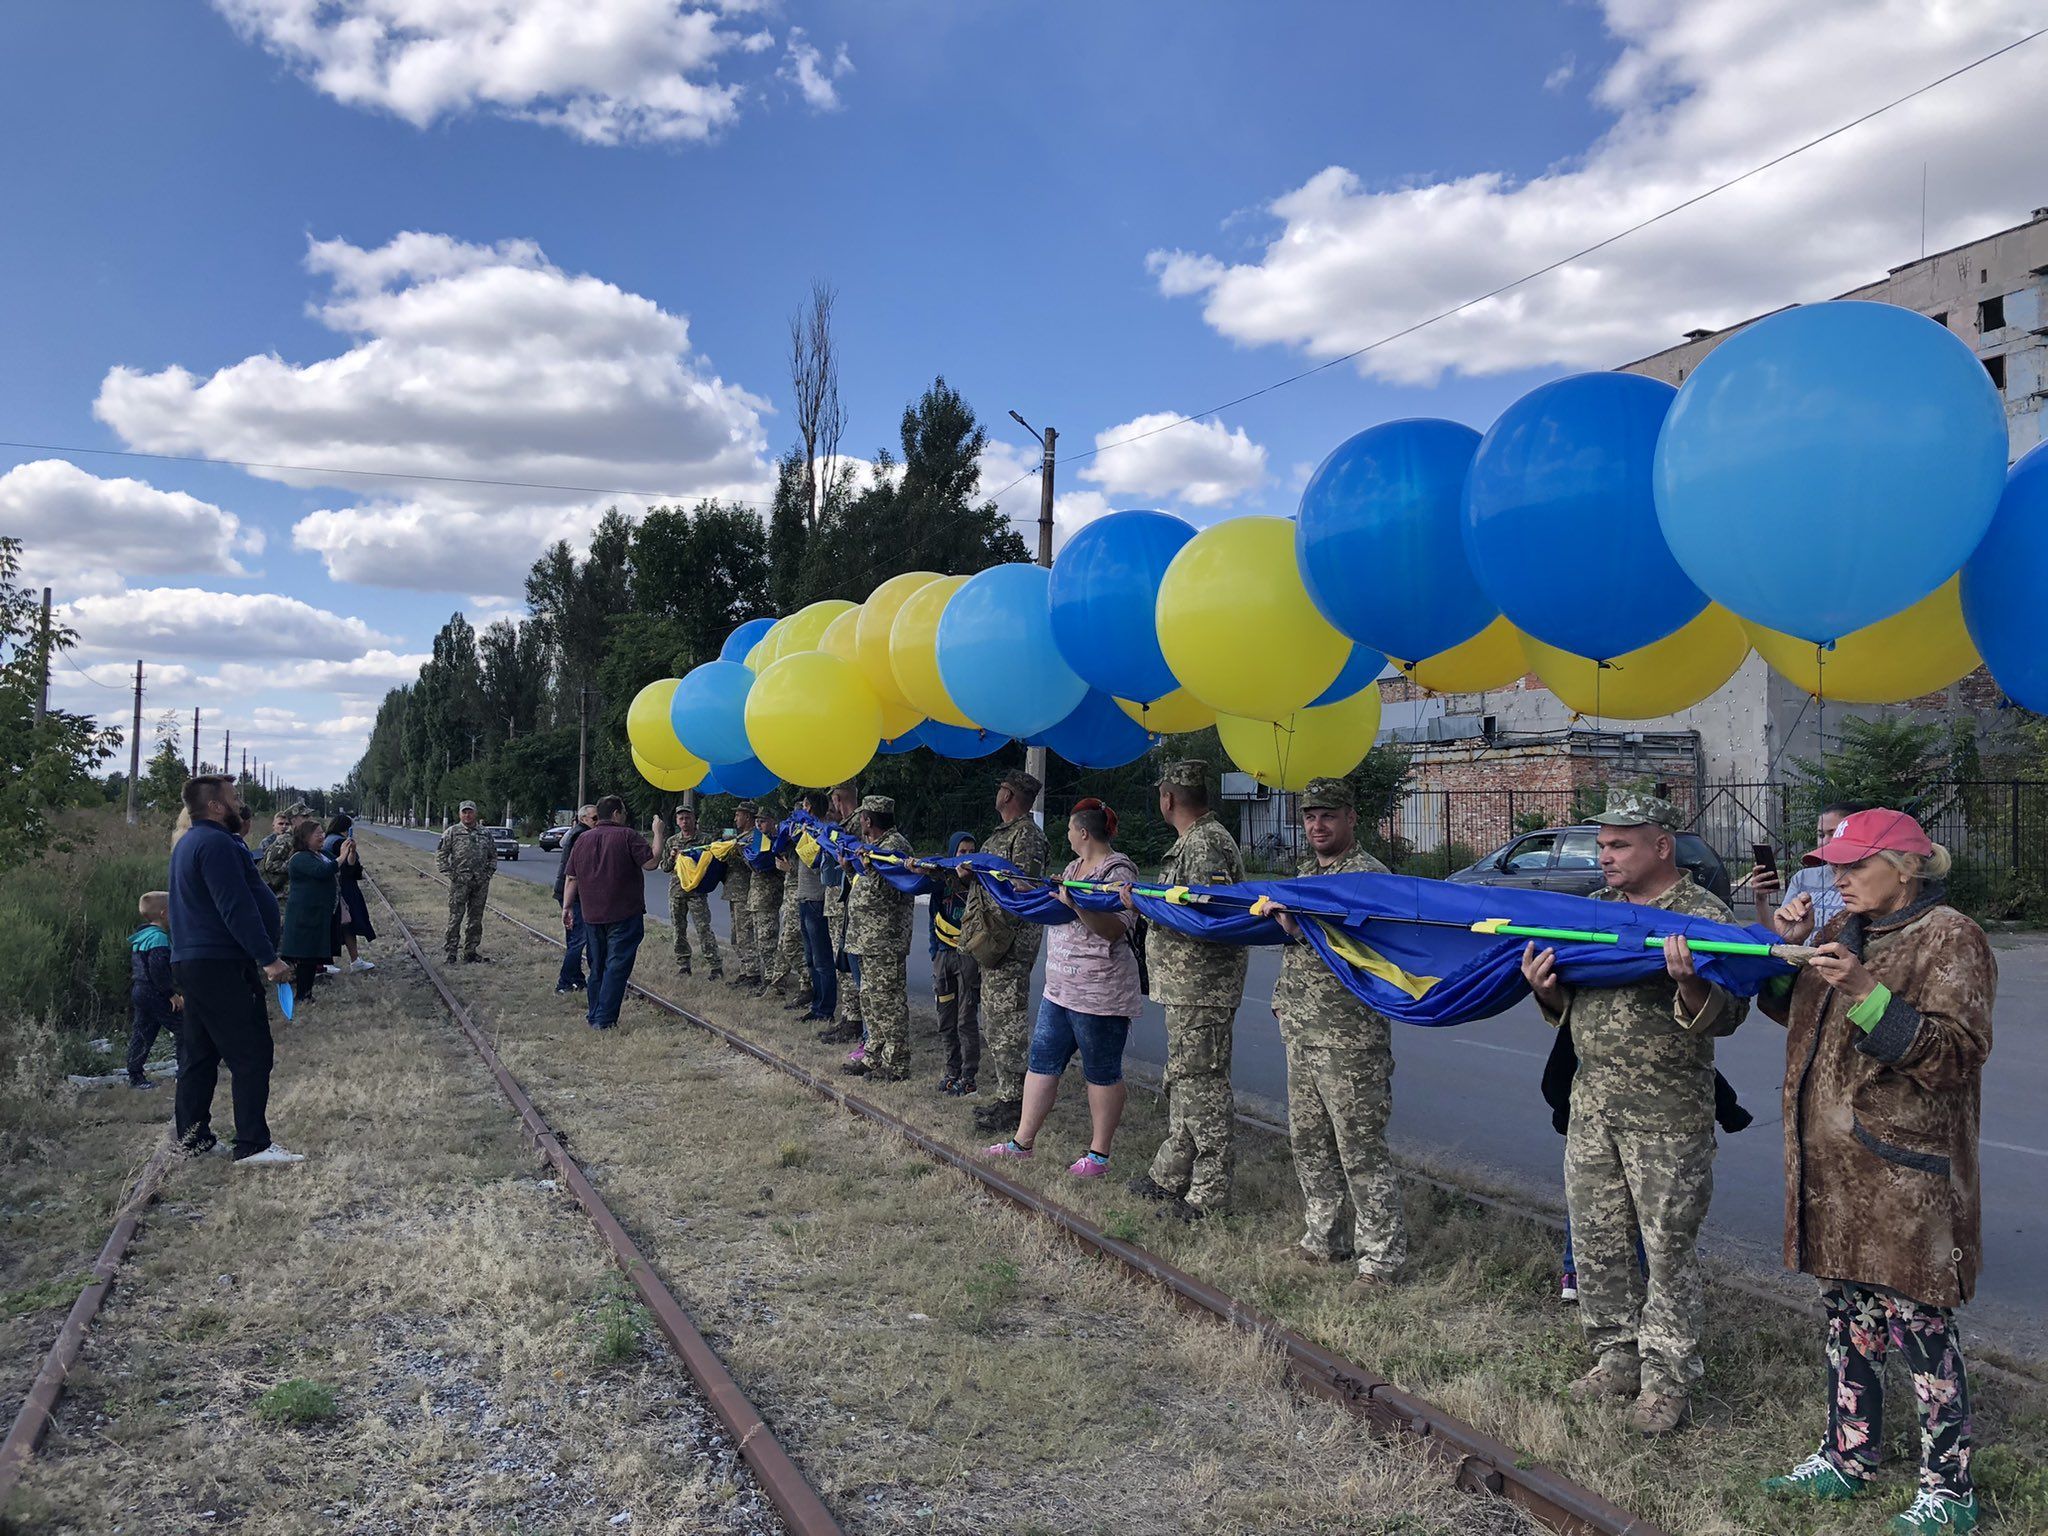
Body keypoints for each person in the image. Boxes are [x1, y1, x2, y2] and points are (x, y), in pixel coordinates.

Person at [1757, 809, 1992, 1536]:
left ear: (1907, 867)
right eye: (1835, 865)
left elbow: (1955, 1055)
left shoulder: (1949, 935)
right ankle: (1848, 1454)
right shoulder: (1840, 932)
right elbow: (1791, 1017)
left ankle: (1947, 1487)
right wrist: (1783, 952)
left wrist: (1865, 992)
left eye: (1856, 865)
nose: (1839, 878)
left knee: (1920, 1324)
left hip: (1904, 1176)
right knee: (1848, 1317)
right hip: (1836, 1171)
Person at [1518, 789, 1747, 1436]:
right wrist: (1548, 989)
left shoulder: (1701, 915)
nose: (1606, 856)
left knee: (1667, 1248)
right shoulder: (1593, 912)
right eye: (1603, 844)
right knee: (1597, 1240)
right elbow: (1574, 1005)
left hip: (1667, 1113)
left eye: (1620, 844)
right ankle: (1616, 1357)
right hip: (1595, 1106)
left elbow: (1730, 1014)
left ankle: (1668, 1378)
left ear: (1661, 846)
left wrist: (1690, 981)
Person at [1261, 778, 1407, 1287]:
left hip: (1350, 1038)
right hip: (1302, 1031)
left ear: (1351, 818)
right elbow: (1293, 952)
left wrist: (1305, 931)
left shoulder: (1370, 877)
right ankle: (1325, 1237)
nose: (1317, 825)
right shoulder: (1304, 874)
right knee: (1309, 1141)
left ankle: (1380, 1258)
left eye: (1328, 815)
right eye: (1309, 816)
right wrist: (1283, 1000)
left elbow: (1374, 948)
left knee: (1360, 1147)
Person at [985, 799, 1140, 1175]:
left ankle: (1098, 1155)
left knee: (1101, 1072)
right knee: (1041, 1064)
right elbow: (1056, 901)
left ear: (1083, 832)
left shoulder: (1118, 870)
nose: (1067, 836)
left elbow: (1114, 928)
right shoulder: (1074, 867)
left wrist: (1078, 906)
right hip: (1059, 990)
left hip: (1099, 993)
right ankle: (1022, 1142)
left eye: (1070, 829)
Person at [1127, 760, 1248, 1220]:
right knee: (1184, 1079)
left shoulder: (1206, 843)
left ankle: (1209, 1195)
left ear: (1168, 798)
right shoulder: (1194, 842)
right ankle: (1171, 1174)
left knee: (1203, 1086)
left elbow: (1210, 914)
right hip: (1187, 985)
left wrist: (1146, 904)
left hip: (1204, 986)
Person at [167, 775, 303, 1165]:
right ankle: (253, 1145)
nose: (239, 802)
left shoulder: (192, 842)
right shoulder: (215, 843)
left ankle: (192, 1139)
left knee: (200, 1053)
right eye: (232, 797)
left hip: (196, 961)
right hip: (219, 962)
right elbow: (236, 907)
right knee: (251, 1052)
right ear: (214, 806)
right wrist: (268, 959)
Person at [966, 770, 1050, 1133]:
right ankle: (1006, 1096)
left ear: (1010, 795)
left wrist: (999, 937)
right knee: (996, 1023)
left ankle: (1015, 1103)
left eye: (1002, 788)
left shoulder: (1027, 836)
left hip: (1009, 943)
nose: (997, 793)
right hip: (993, 939)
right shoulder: (1003, 833)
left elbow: (1024, 892)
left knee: (1008, 1024)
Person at [561, 796, 664, 1031]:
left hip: (592, 914)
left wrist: (567, 907)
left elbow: (571, 877)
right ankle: (604, 1020)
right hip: (624, 913)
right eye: (624, 812)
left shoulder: (583, 839)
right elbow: (651, 863)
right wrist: (658, 833)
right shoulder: (627, 836)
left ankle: (594, 1013)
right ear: (617, 813)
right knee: (616, 966)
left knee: (597, 966)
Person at [841, 795, 914, 1080]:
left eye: (862, 818)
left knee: (888, 1002)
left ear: (868, 821)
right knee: (870, 1000)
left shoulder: (895, 848)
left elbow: (894, 892)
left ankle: (896, 1063)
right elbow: (866, 888)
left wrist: (868, 867)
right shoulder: (875, 848)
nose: (860, 823)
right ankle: (874, 1055)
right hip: (867, 940)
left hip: (885, 940)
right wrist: (850, 869)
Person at [1753, 801, 1863, 940]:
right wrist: (1761, 900)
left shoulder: (1868, 882)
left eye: (1833, 833)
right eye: (1821, 835)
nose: (1824, 842)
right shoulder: (1803, 878)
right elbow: (1775, 939)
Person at [931, 831, 981, 1094]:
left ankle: (968, 1076)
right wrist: (934, 952)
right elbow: (933, 916)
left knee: (965, 1019)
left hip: (968, 958)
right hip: (943, 955)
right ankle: (952, 1070)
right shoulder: (941, 880)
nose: (966, 856)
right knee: (946, 1017)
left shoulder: (981, 882)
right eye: (961, 852)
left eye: (971, 851)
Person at [817, 781, 863, 1045]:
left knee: (847, 962)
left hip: (846, 903)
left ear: (837, 798)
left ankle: (854, 1019)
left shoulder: (853, 824)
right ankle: (849, 1015)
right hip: (837, 901)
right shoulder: (846, 824)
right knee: (841, 963)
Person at [660, 804, 723, 980]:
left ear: (694, 819)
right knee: (678, 929)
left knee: (703, 928)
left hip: (697, 891)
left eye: (688, 818)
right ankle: (683, 965)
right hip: (677, 891)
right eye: (681, 818)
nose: (685, 821)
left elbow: (713, 864)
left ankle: (715, 966)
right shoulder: (672, 841)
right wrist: (672, 857)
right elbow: (665, 867)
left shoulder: (705, 840)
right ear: (677, 821)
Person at [790, 790, 837, 1024]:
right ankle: (817, 1003)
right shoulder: (805, 827)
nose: (802, 809)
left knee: (821, 959)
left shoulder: (826, 830)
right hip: (804, 897)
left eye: (806, 805)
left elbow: (823, 865)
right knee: (810, 957)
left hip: (818, 899)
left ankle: (825, 1008)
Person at [280, 819, 339, 1004]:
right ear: (305, 838)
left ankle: (306, 994)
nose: (322, 836)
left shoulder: (319, 853)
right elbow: (323, 871)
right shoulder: (300, 858)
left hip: (317, 914)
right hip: (304, 916)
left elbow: (337, 864)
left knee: (311, 956)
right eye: (318, 834)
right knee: (305, 956)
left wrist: (349, 855)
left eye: (323, 832)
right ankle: (302, 995)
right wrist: (342, 856)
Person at [126, 891, 178, 1089]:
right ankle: (185, 1069)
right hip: (155, 992)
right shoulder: (159, 939)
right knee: (183, 1028)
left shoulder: (142, 937)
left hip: (139, 989)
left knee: (142, 1032)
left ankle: (135, 1075)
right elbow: (158, 969)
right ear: (165, 914)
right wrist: (171, 994)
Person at [436, 800, 496, 964]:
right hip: (459, 884)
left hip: (480, 884)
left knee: (475, 919)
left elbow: (493, 857)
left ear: (475, 813)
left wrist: (487, 875)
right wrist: (452, 875)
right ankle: (451, 952)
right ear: (460, 814)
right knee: (455, 918)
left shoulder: (485, 833)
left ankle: (470, 951)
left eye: (470, 812)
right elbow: (441, 856)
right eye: (464, 812)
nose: (467, 815)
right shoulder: (452, 832)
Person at [553, 804, 598, 994]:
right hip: (575, 894)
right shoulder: (582, 835)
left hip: (569, 892)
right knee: (579, 939)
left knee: (574, 938)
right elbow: (578, 872)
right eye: (594, 818)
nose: (597, 821)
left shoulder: (576, 832)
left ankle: (577, 979)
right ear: (583, 819)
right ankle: (564, 983)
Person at [324, 815, 376, 972]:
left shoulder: (328, 839)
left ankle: (351, 960)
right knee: (346, 922)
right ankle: (331, 962)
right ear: (345, 828)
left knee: (344, 924)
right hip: (344, 888)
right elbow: (348, 867)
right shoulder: (340, 841)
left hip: (336, 886)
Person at [747, 805, 787, 997]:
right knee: (759, 941)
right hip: (756, 898)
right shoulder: (758, 840)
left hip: (769, 897)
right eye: (757, 821)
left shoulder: (778, 841)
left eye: (762, 820)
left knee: (768, 942)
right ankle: (767, 979)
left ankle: (773, 981)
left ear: (772, 821)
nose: (759, 824)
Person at [722, 801, 759, 986]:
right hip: (734, 891)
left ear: (748, 816)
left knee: (745, 935)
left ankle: (752, 973)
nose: (735, 818)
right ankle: (745, 970)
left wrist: (740, 851)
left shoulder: (754, 838)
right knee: (736, 936)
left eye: (739, 814)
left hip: (745, 891)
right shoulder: (740, 836)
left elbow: (756, 863)